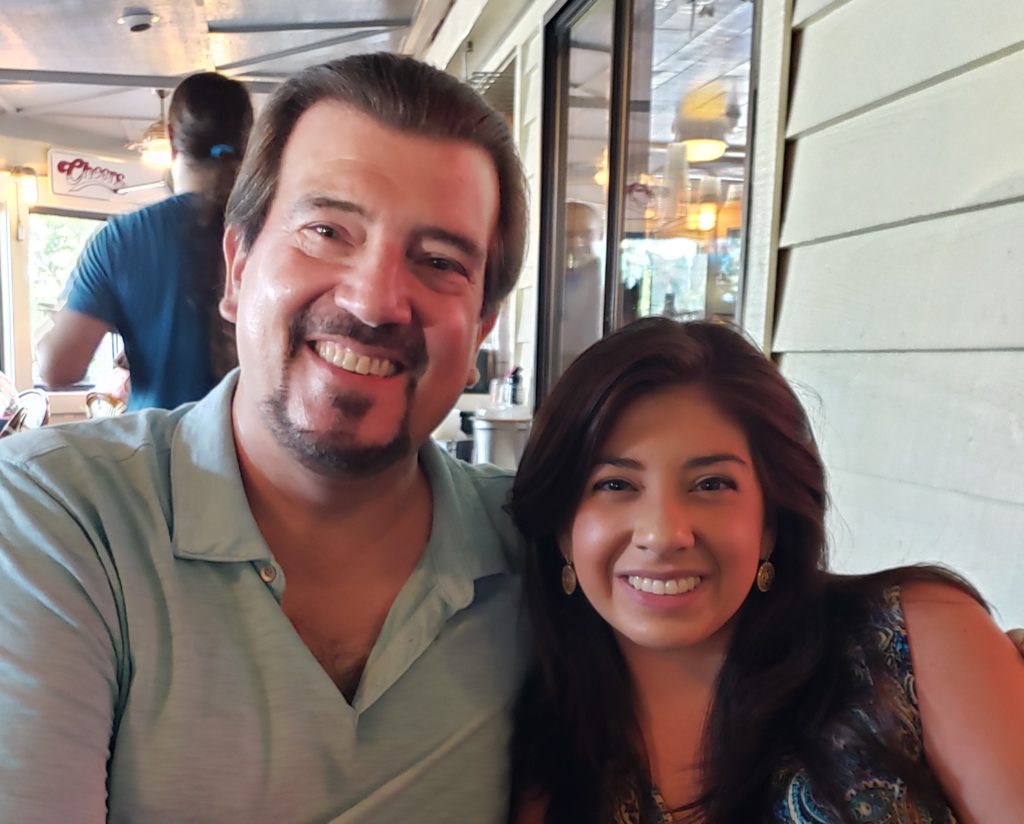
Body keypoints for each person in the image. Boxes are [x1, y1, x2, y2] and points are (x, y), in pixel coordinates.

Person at [0, 53, 526, 822]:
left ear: (480, 328)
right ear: (239, 267)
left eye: (440, 261)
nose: (374, 301)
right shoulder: (55, 517)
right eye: (327, 230)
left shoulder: (540, 544)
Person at [508, 317, 1024, 823]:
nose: (663, 535)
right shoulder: (540, 745)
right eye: (615, 485)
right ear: (563, 531)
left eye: (712, 484)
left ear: (771, 523)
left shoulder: (914, 639)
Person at [37, 71, 253, 410]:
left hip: (159, 440)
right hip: (257, 440)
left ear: (171, 137)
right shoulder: (272, 227)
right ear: (247, 142)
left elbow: (57, 368)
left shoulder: (120, 241)